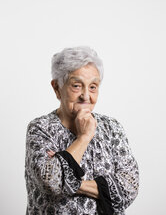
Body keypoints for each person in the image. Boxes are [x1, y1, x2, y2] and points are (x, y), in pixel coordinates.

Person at [25, 46, 139, 215]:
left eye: (93, 87)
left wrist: (70, 181)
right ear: (57, 88)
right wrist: (84, 137)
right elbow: (51, 181)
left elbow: (129, 187)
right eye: (77, 86)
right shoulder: (41, 129)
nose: (86, 96)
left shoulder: (112, 128)